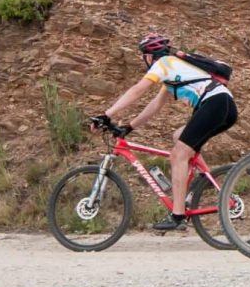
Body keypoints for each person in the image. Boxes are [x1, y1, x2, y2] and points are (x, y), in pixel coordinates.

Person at [91, 33, 237, 231]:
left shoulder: (164, 64)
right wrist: (130, 126)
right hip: (223, 105)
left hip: (215, 103)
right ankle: (206, 179)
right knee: (179, 137)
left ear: (150, 56)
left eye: (144, 56)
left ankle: (177, 215)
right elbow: (155, 105)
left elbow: (137, 90)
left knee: (178, 154)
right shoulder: (174, 69)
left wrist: (106, 115)